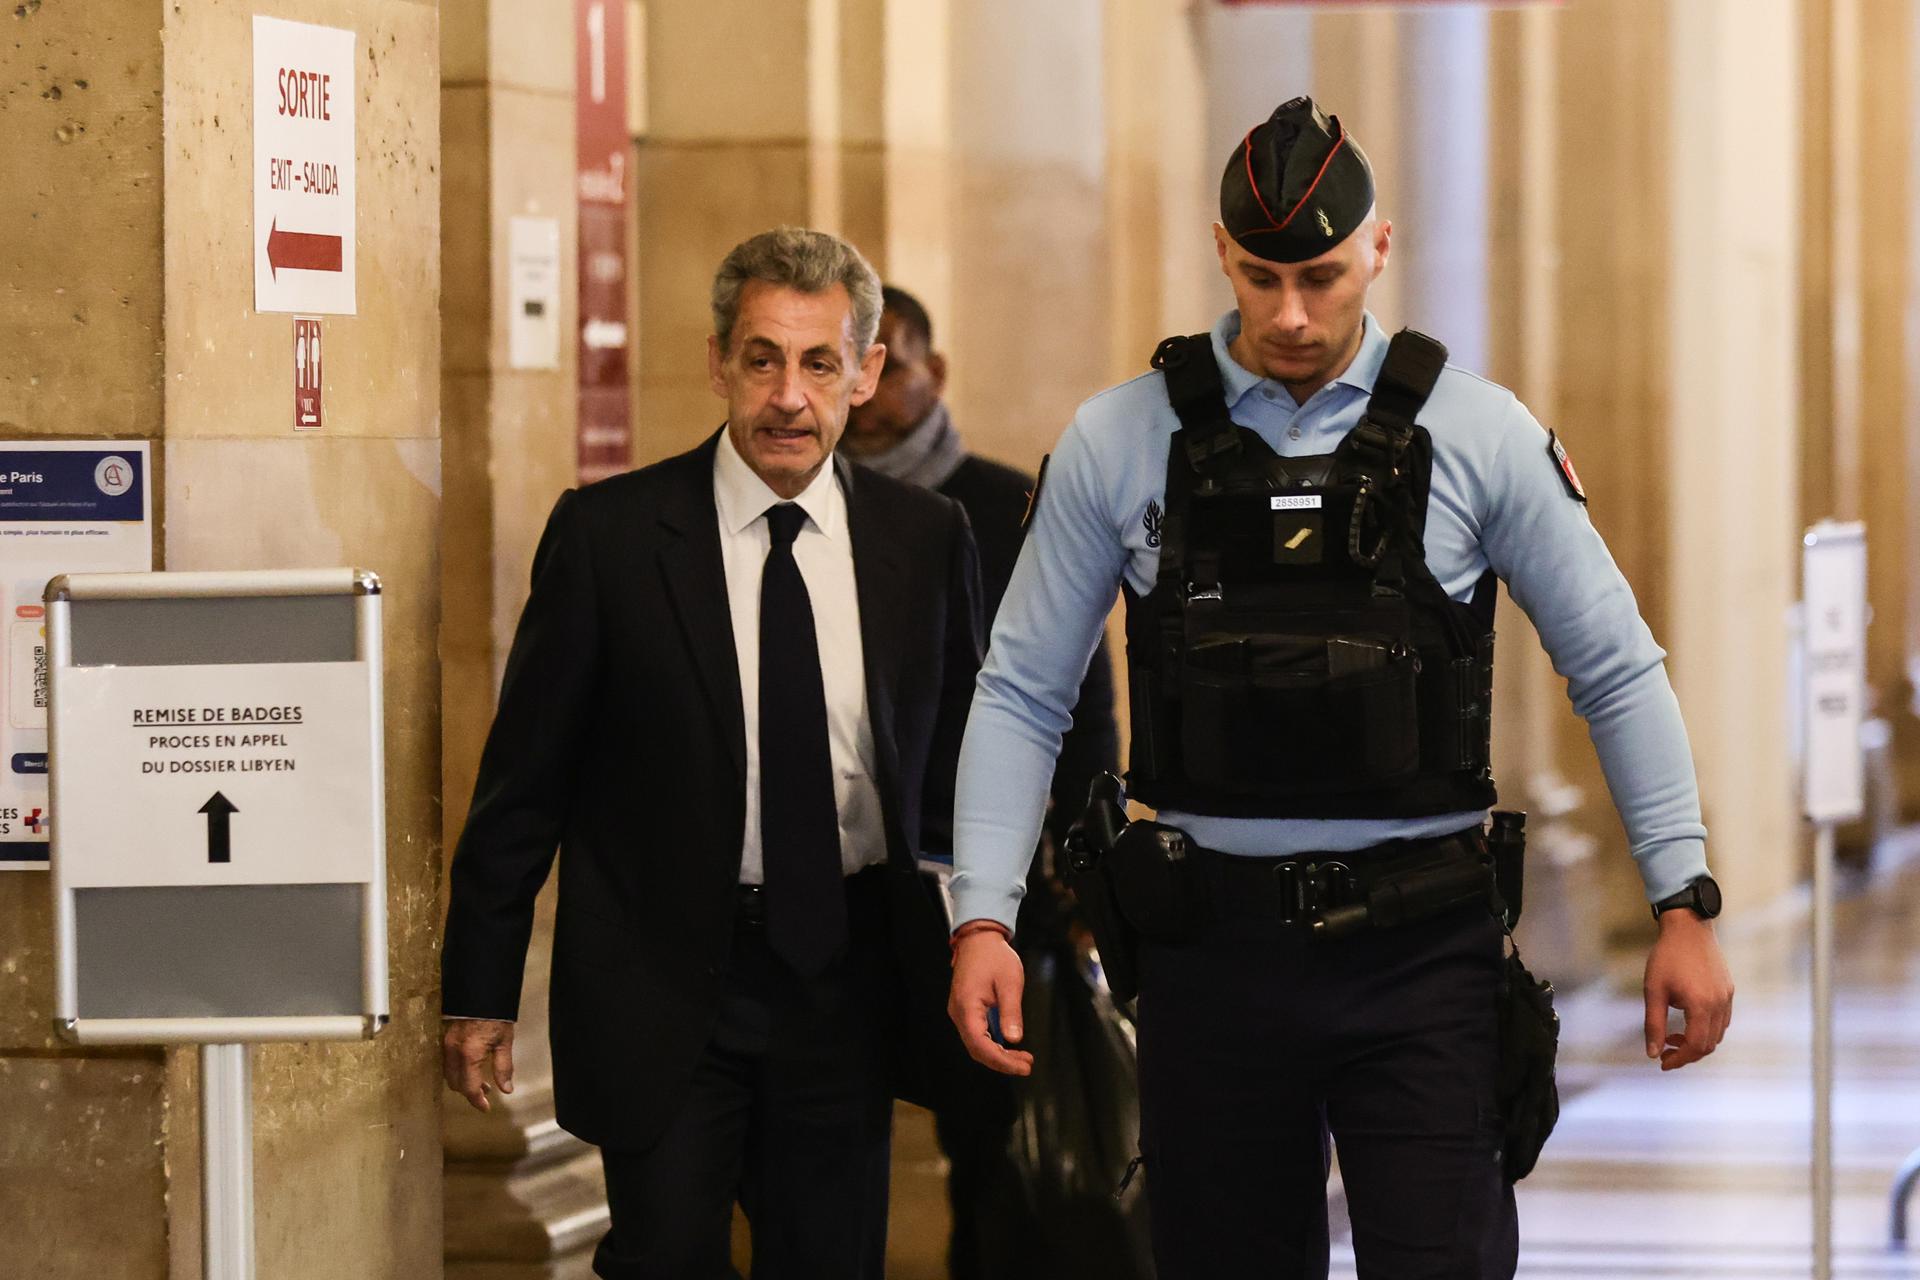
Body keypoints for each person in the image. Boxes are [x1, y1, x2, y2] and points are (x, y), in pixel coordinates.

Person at [944, 96, 1736, 1279]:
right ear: (1221, 255)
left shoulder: (1481, 434)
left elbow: (1615, 666)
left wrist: (1683, 895)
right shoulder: (1122, 440)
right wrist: (983, 912)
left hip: (1421, 958)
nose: (1293, 314)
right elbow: (1020, 690)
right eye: (1262, 278)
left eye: (1320, 274)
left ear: (1380, 246)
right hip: (1211, 957)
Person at [440, 226, 988, 1279]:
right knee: (665, 1260)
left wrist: (983, 923)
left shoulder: (924, 539)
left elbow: (962, 763)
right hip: (667, 986)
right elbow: (524, 781)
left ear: (865, 372)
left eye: (819, 361)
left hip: (847, 977)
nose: (788, 395)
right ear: (718, 362)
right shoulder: (610, 538)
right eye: (762, 358)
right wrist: (480, 983)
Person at [842, 285, 1123, 1280]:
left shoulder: (1010, 506)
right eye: (854, 363)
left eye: (892, 363)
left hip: (986, 881)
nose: (868, 391)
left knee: (998, 1144)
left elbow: (1083, 700)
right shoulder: (804, 508)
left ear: (933, 372)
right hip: (846, 877)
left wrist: (1091, 871)